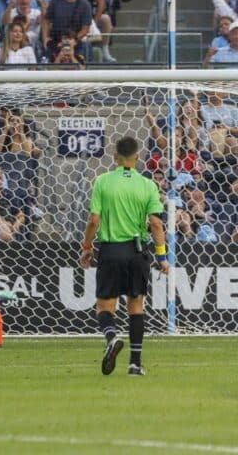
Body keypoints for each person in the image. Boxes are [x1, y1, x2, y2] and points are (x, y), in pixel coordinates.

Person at [80, 136, 168, 377]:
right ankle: (134, 365)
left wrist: (87, 246)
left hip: (110, 250)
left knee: (104, 306)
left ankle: (111, 337)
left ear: (115, 157)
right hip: (137, 251)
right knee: (135, 306)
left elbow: (93, 220)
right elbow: (156, 223)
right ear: (137, 157)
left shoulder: (102, 182)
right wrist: (161, 257)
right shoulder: (148, 185)